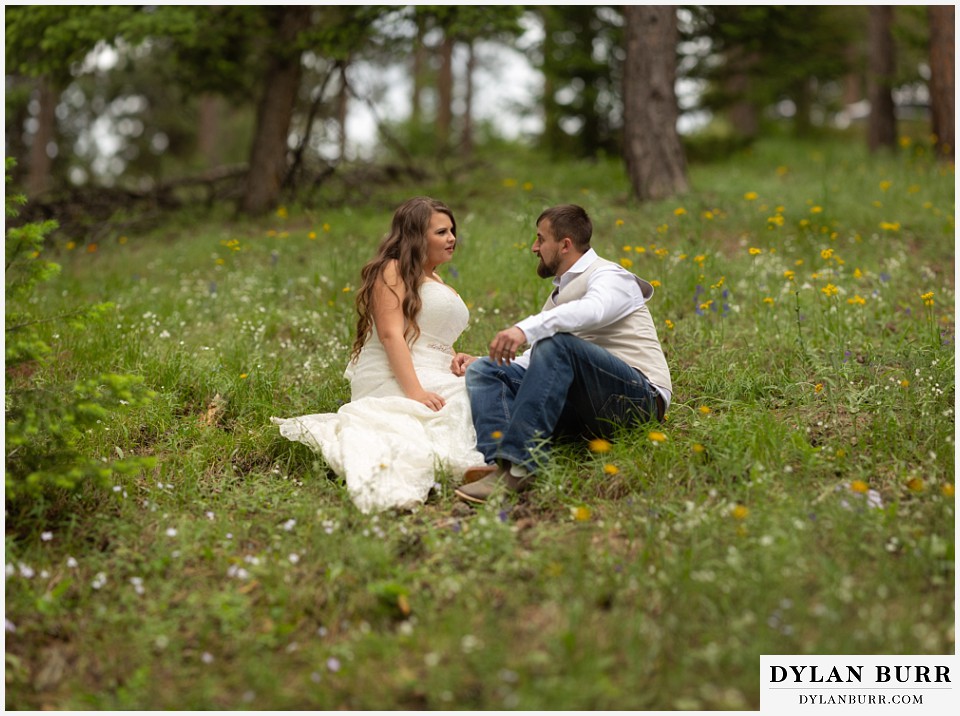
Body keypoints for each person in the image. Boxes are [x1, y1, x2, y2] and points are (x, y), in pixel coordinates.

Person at [272, 197, 484, 514]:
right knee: (454, 406)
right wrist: (415, 393)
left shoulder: (435, 279)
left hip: (435, 369)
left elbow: (429, 334)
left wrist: (454, 356)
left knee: (479, 391)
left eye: (452, 231)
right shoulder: (392, 270)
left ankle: (475, 465)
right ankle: (460, 467)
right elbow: (390, 334)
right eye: (441, 232)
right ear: (416, 236)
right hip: (396, 373)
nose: (452, 238)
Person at [452, 204, 672, 504]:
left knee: (556, 344)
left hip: (637, 401)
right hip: (588, 408)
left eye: (541, 239)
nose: (534, 247)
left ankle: (520, 466)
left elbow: (592, 311)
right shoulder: (559, 295)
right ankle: (498, 465)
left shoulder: (610, 276)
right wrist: (487, 361)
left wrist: (524, 328)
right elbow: (542, 362)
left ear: (565, 244)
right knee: (487, 371)